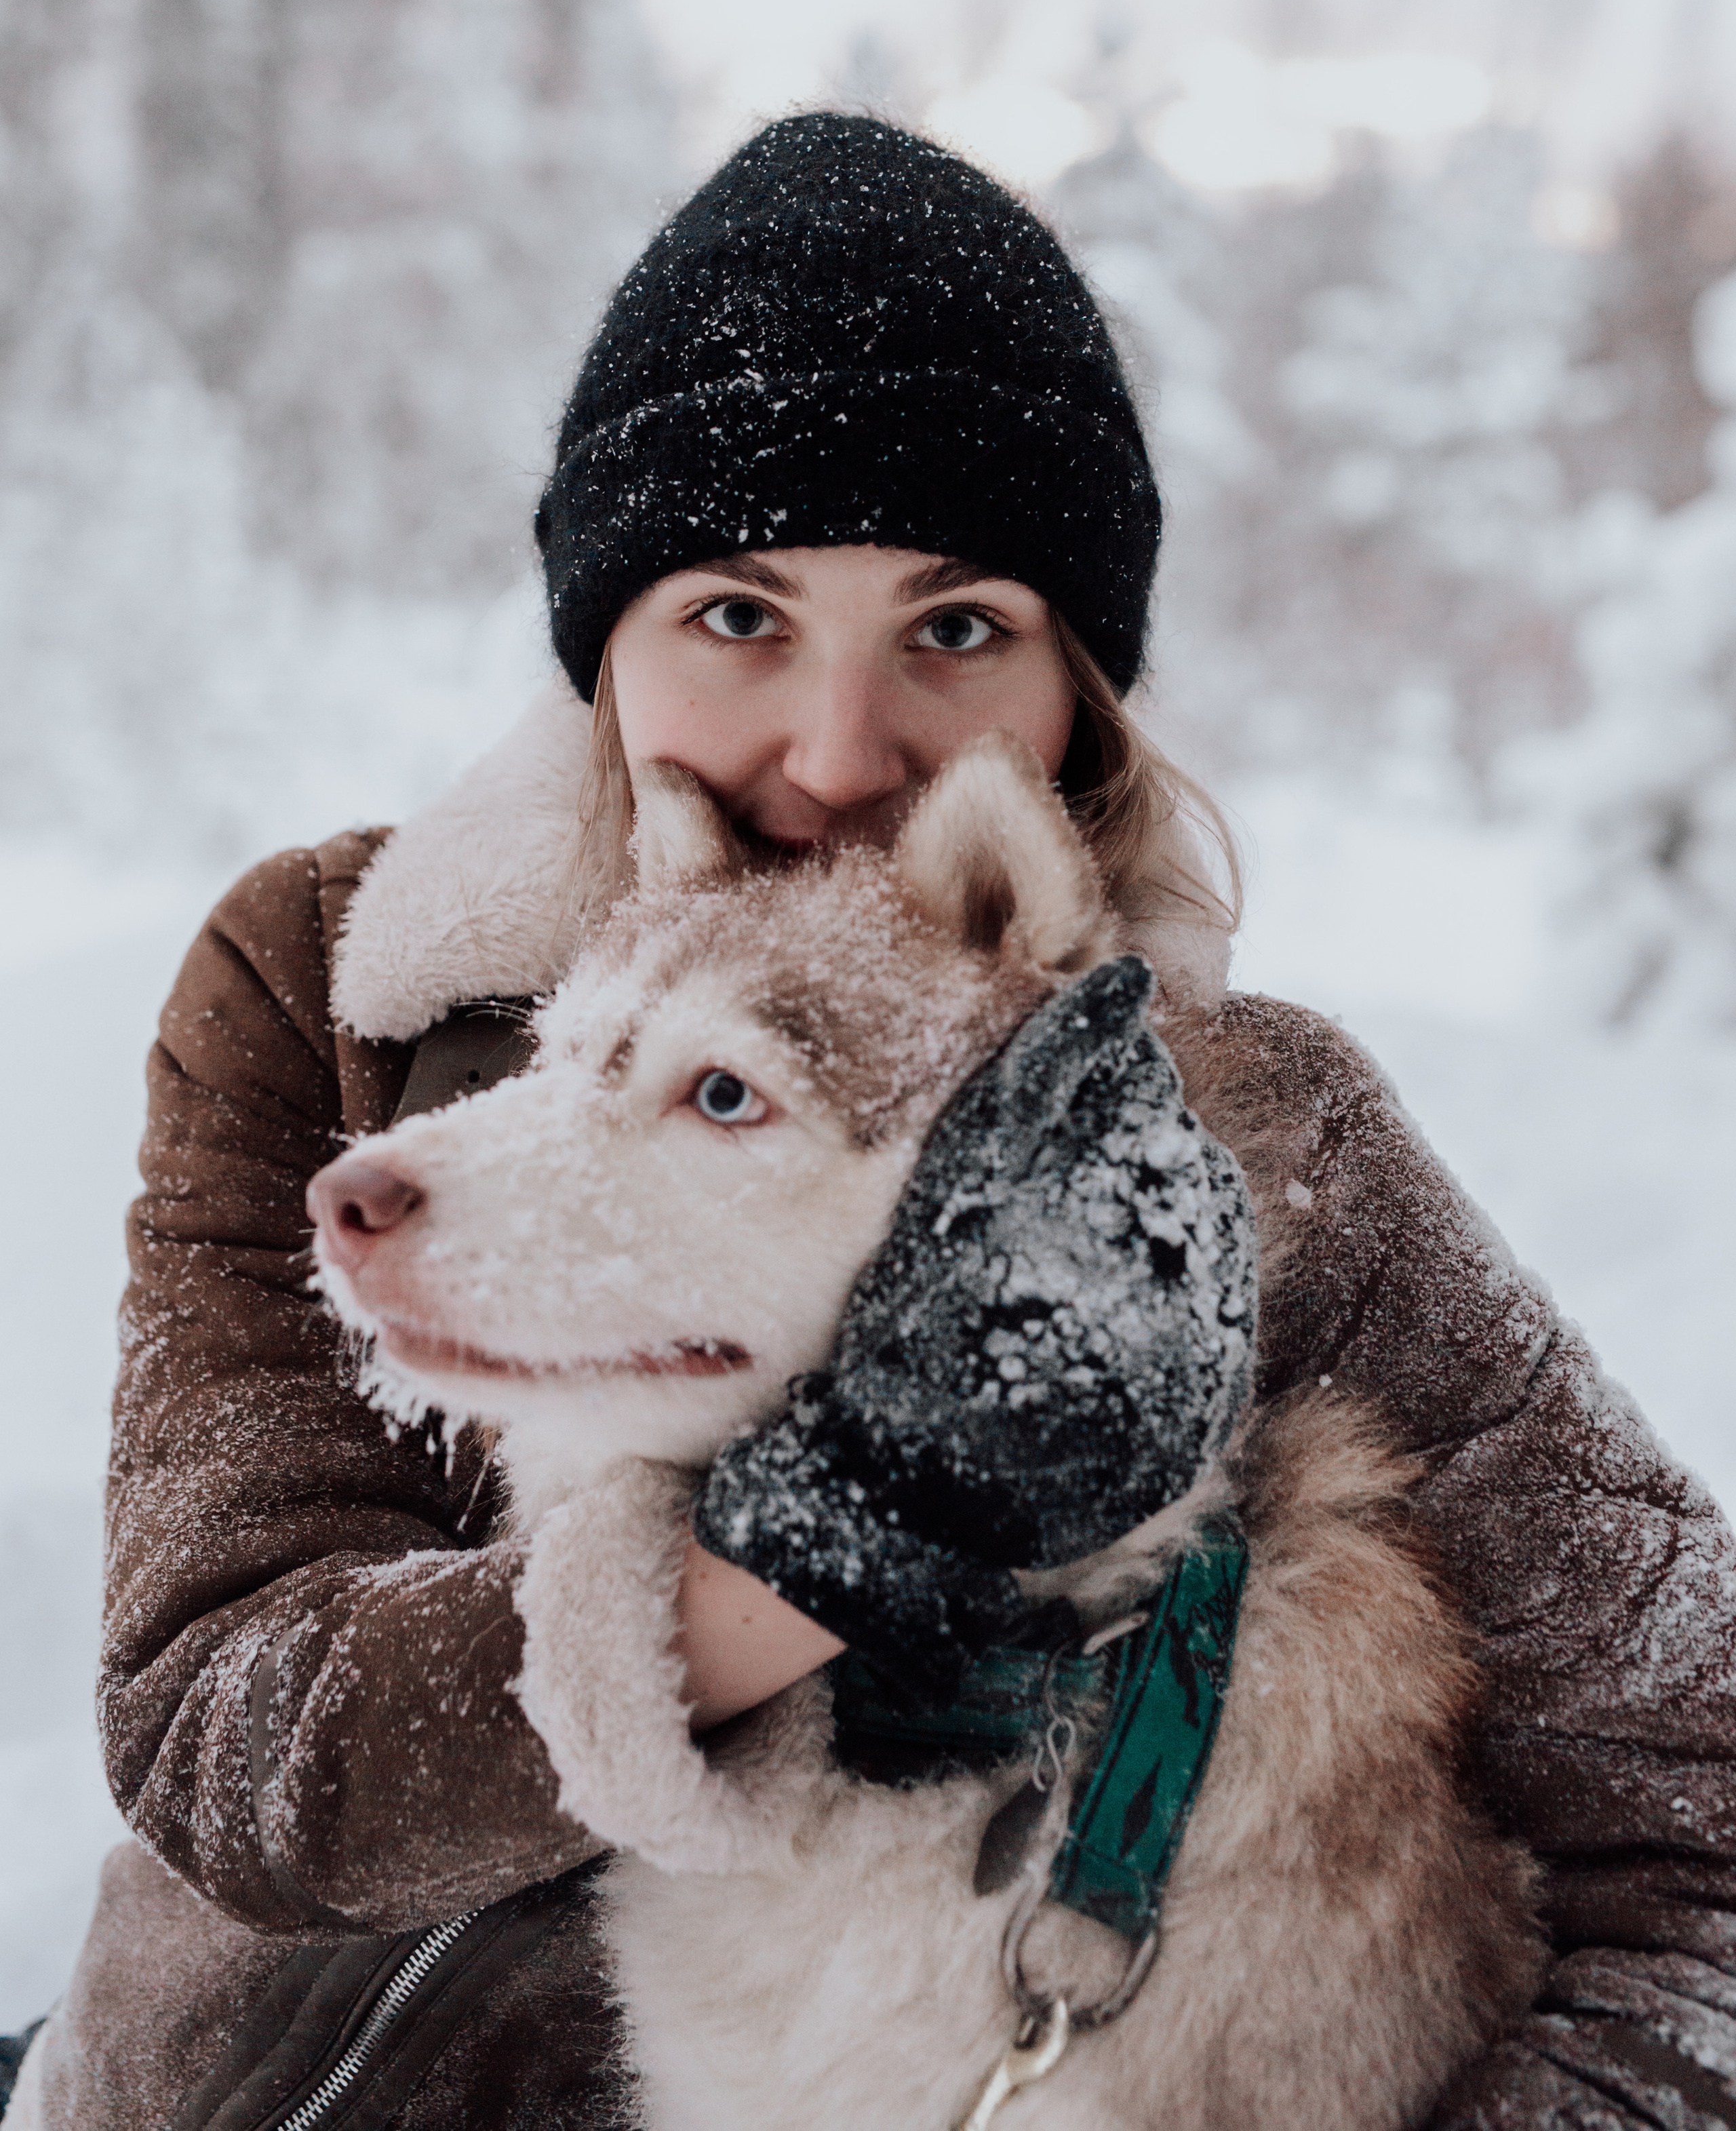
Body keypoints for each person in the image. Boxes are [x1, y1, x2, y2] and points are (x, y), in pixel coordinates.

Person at [10, 114, 1735, 2131]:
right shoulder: (331, 990)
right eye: (739, 615)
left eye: (955, 628)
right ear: (607, 641)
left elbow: (1700, 1835)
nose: (839, 755)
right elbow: (227, 1736)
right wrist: (820, 1557)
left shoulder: (1263, 1139)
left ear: (1076, 690)